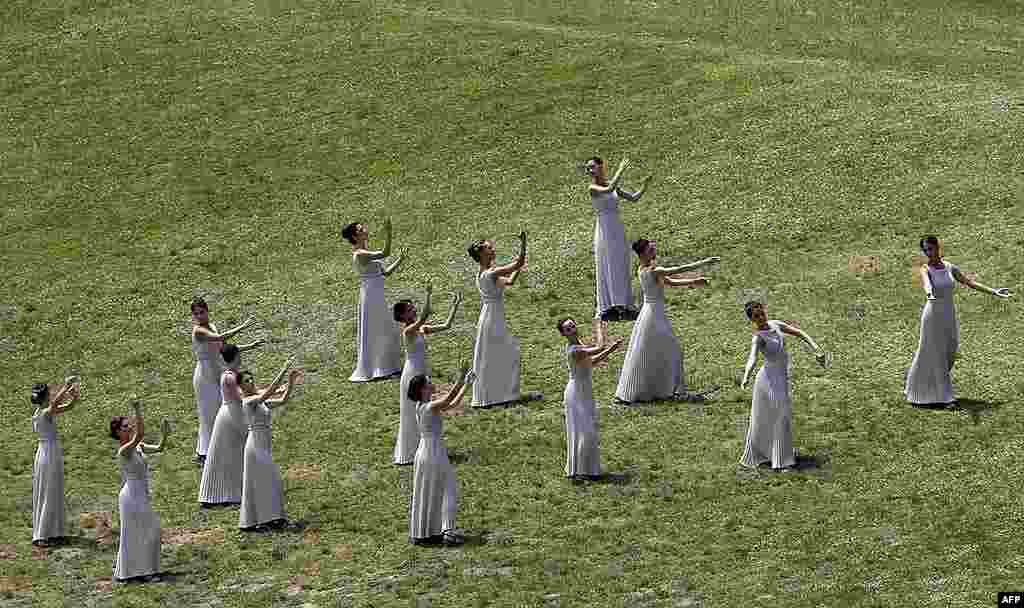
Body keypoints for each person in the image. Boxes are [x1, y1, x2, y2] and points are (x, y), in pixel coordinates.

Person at [905, 236, 1012, 405]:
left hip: (948, 314)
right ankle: (946, 398)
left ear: (938, 247)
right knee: (937, 353)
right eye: (925, 250)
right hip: (933, 315)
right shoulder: (925, 269)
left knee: (950, 350)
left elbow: (969, 282)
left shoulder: (949, 267)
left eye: (931, 249)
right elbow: (927, 284)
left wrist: (994, 291)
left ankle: (922, 385)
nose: (928, 253)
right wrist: (929, 294)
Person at [614, 238, 719, 403]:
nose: (653, 252)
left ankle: (664, 388)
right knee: (673, 350)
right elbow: (678, 269)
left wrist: (693, 281)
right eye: (650, 250)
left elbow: (671, 282)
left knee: (652, 352)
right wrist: (705, 262)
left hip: (651, 313)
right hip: (653, 316)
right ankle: (677, 390)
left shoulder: (644, 269)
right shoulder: (653, 270)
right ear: (642, 254)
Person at [738, 302, 826, 470]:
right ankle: (781, 461)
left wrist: (815, 348)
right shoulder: (758, 337)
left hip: (781, 378)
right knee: (780, 416)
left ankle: (778, 454)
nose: (761, 318)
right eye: (756, 317)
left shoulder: (776, 324)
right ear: (751, 320)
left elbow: (799, 333)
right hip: (767, 380)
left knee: (781, 416)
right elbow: (753, 358)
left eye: (762, 314)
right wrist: (746, 377)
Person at [468, 233, 542, 408]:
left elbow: (509, 282)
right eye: (489, 248)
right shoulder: (490, 273)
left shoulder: (485, 274)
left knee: (495, 356)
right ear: (481, 254)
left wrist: (517, 267)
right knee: (508, 353)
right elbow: (518, 264)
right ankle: (504, 395)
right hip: (492, 318)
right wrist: (523, 246)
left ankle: (498, 395)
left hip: (490, 316)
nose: (492, 249)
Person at [393, 286, 462, 465]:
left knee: (425, 411)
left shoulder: (421, 329)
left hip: (423, 370)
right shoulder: (407, 332)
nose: (413, 309)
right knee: (411, 412)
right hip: (412, 373)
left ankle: (424, 449)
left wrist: (455, 306)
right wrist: (429, 295)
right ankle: (411, 452)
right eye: (410, 310)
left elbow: (447, 325)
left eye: (412, 307)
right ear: (403, 317)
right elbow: (423, 316)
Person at [408, 368, 475, 546]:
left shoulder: (423, 406)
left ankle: (431, 531)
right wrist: (461, 381)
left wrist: (466, 386)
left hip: (428, 450)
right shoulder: (429, 406)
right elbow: (448, 399)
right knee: (447, 488)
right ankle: (445, 530)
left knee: (431, 490)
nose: (432, 384)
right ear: (423, 389)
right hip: (432, 452)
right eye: (428, 383)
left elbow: (452, 405)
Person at [190, 297, 261, 465]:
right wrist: (243, 326)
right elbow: (220, 337)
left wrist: (251, 345)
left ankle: (220, 447)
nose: (200, 316)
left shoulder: (212, 326)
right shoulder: (198, 331)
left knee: (221, 410)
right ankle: (204, 453)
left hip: (216, 370)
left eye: (202, 312)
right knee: (208, 414)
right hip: (205, 375)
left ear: (207, 310)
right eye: (196, 314)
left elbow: (225, 348)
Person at [585, 157, 653, 322]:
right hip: (604, 229)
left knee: (621, 262)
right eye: (588, 169)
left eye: (592, 167)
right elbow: (609, 189)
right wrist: (621, 169)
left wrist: (645, 186)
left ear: (601, 167)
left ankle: (625, 304)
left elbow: (633, 198)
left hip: (616, 227)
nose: (590, 171)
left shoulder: (610, 183)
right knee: (608, 262)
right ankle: (612, 306)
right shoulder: (592, 188)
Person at [239, 357, 301, 531]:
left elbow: (282, 400)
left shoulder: (259, 401)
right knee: (271, 480)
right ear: (240, 387)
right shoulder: (248, 402)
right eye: (246, 381)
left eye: (251, 379)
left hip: (263, 445)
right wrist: (283, 370)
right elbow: (267, 393)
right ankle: (273, 519)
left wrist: (290, 381)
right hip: (255, 446)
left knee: (268, 482)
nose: (250, 382)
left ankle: (271, 519)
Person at [111, 398, 170, 582]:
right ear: (117, 433)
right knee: (145, 530)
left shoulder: (138, 447)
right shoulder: (124, 451)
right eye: (124, 427)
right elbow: (140, 434)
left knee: (148, 530)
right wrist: (137, 409)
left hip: (141, 494)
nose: (128, 428)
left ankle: (144, 570)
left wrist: (164, 434)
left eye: (129, 425)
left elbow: (159, 447)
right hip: (131, 496)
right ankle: (143, 572)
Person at [557, 318, 622, 480]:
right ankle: (581, 470)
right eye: (568, 328)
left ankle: (586, 470)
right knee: (585, 432)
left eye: (573, 325)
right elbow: (598, 347)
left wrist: (612, 349)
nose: (573, 329)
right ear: (563, 334)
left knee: (587, 430)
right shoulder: (574, 350)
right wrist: (599, 327)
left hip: (584, 391)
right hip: (576, 393)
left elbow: (591, 362)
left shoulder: (578, 344)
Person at [343, 219, 405, 382]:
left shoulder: (366, 253)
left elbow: (385, 273)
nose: (365, 229)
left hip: (376, 293)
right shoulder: (360, 254)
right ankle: (377, 367)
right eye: (360, 229)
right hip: (371, 295)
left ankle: (387, 366)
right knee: (377, 328)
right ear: (355, 236)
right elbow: (385, 253)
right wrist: (389, 234)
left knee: (385, 328)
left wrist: (400, 260)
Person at [198, 344, 253, 506]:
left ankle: (239, 490)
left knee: (237, 453)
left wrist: (275, 390)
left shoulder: (236, 374)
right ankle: (219, 494)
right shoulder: (229, 377)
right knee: (226, 453)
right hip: (230, 416)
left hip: (236, 415)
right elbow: (243, 396)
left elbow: (251, 391)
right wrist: (270, 395)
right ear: (236, 357)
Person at [31, 377, 80, 546]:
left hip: (49, 452)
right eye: (49, 393)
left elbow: (68, 406)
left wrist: (74, 397)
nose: (51, 395)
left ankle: (55, 531)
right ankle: (42, 535)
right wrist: (66, 386)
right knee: (48, 491)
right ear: (45, 397)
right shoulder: (44, 413)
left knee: (54, 490)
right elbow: (55, 404)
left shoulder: (42, 412)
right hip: (48, 453)